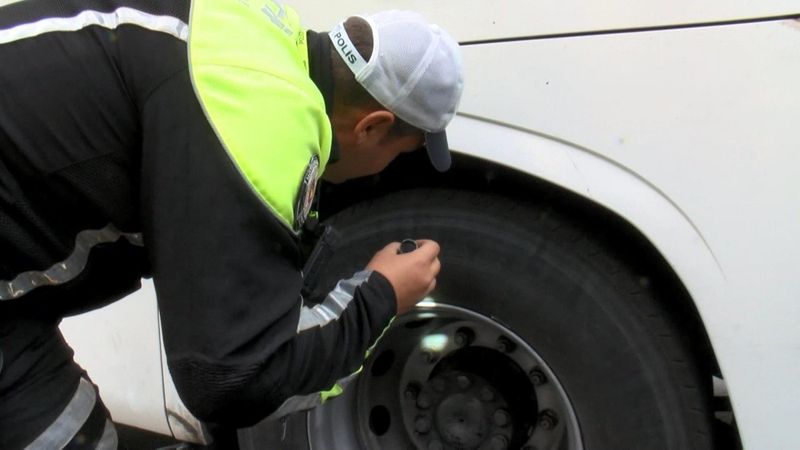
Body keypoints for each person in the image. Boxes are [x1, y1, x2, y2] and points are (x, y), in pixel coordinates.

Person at [0, 0, 463, 448]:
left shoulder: (257, 34)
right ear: (372, 127)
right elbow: (229, 378)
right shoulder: (260, 123)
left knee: (68, 432)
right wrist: (379, 297)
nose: (383, 171)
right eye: (399, 155)